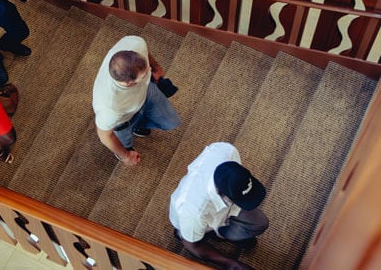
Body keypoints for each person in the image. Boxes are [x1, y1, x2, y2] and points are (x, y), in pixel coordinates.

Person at [169, 142, 269, 270]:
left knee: (260, 223)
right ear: (222, 194)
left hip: (223, 206)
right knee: (191, 237)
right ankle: (199, 233)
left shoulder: (226, 151)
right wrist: (232, 264)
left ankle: (221, 233)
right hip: (195, 222)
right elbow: (192, 245)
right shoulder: (192, 211)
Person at [92, 36, 180, 166]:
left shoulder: (136, 44)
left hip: (146, 91)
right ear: (127, 83)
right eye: (144, 75)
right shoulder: (111, 108)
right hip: (123, 121)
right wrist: (126, 156)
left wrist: (155, 67)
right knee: (125, 144)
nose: (148, 71)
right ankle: (131, 135)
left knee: (172, 122)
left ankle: (139, 125)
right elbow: (104, 136)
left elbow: (146, 58)